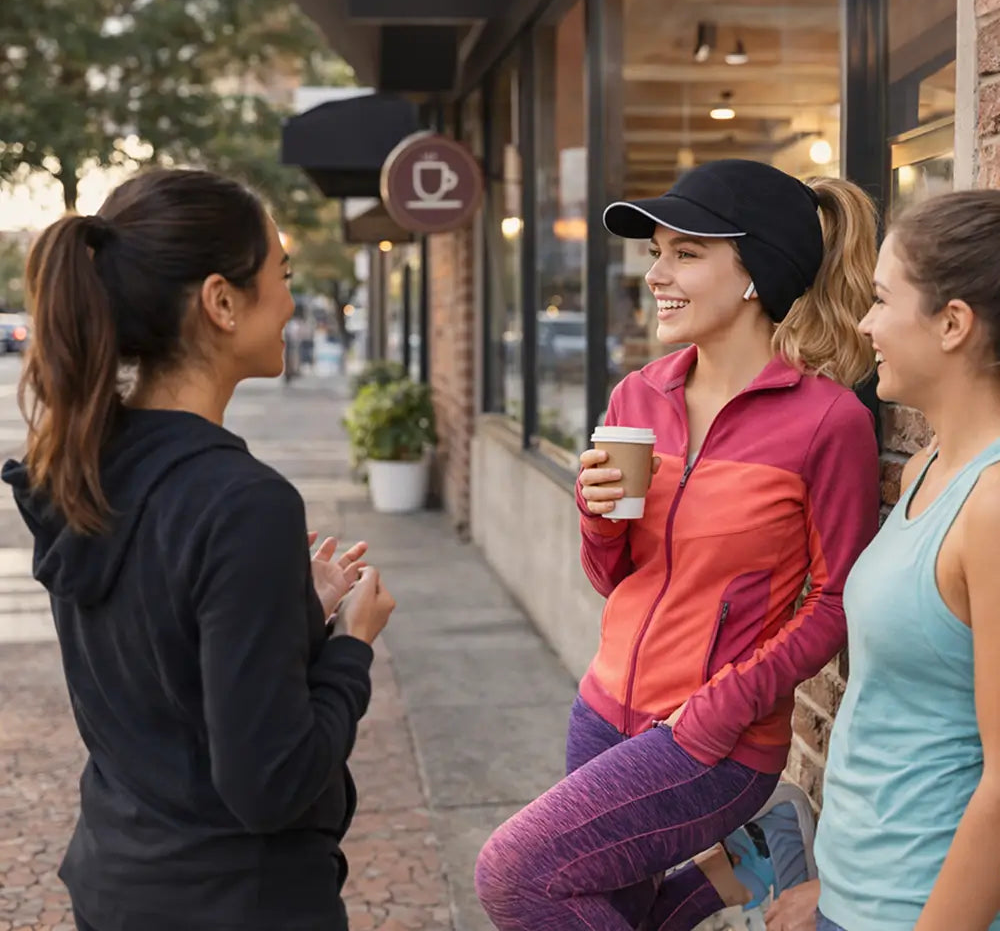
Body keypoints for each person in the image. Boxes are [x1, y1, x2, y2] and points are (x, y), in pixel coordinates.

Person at [475, 159, 881, 931]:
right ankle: (737, 870)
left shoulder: (827, 423)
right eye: (658, 251)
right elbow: (614, 576)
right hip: (601, 710)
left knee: (516, 874)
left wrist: (722, 706)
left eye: (685, 253)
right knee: (610, 908)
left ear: (755, 272)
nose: (656, 273)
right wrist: (598, 518)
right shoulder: (640, 394)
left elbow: (836, 603)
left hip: (716, 740)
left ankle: (738, 852)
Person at [2, 168, 396, 931]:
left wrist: (289, 615)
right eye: (279, 273)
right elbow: (272, 782)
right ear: (221, 301)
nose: (289, 297)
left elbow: (158, 662)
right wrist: (351, 646)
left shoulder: (84, 468)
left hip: (119, 882)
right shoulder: (242, 502)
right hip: (239, 901)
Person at [767, 190, 1000, 931]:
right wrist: (835, 888)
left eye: (880, 300)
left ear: (953, 324)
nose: (864, 324)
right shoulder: (927, 465)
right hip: (861, 891)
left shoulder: (992, 505)